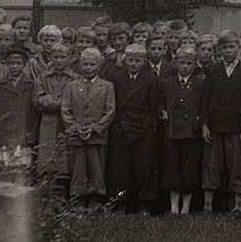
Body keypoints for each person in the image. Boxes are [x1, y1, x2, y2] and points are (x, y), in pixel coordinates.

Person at [200, 30, 241, 214]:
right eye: (224, 47)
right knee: (212, 164)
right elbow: (205, 99)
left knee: (237, 165)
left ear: (238, 48)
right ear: (219, 50)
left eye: (232, 47)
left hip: (237, 127)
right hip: (215, 126)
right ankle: (208, 205)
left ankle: (238, 205)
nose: (228, 51)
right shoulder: (213, 70)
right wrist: (205, 125)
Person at [105, 43, 164, 214]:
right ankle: (121, 204)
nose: (133, 63)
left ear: (144, 61)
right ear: (124, 60)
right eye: (130, 59)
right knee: (120, 169)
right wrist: (117, 126)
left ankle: (144, 205)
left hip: (143, 129)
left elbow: (154, 107)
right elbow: (114, 104)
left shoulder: (151, 79)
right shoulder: (117, 77)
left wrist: (149, 128)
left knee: (144, 169)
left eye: (138, 60)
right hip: (121, 128)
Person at [62, 47, 115, 205]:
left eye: (92, 64)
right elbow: (65, 110)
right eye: (85, 64)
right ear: (79, 65)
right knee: (78, 171)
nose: (88, 68)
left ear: (99, 66)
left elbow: (110, 111)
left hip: (97, 137)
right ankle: (78, 205)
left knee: (96, 171)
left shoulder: (106, 87)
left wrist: (95, 128)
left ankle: (93, 204)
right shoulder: (71, 86)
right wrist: (74, 127)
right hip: (77, 137)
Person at [161, 44, 204, 215]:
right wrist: (162, 110)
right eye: (182, 62)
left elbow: (203, 105)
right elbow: (160, 101)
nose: (185, 66)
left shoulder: (199, 83)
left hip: (190, 132)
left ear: (194, 65)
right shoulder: (168, 83)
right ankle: (173, 207)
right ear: (176, 63)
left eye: (189, 63)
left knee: (188, 168)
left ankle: (185, 207)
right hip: (172, 132)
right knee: (173, 168)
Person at [0, 48, 38, 174]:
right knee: (2, 169)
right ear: (6, 64)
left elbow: (33, 112)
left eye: (18, 63)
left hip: (22, 134)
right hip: (4, 134)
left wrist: (31, 133)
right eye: (11, 63)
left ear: (24, 65)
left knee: (21, 170)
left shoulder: (31, 85)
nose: (15, 66)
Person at [34, 43, 77, 193]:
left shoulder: (75, 78)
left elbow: (77, 100)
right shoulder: (43, 77)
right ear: (51, 58)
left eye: (63, 57)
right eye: (56, 57)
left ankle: (64, 198)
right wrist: (62, 101)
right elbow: (38, 101)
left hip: (68, 123)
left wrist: (52, 100)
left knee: (66, 162)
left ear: (70, 58)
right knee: (47, 160)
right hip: (48, 123)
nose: (59, 61)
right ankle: (47, 198)